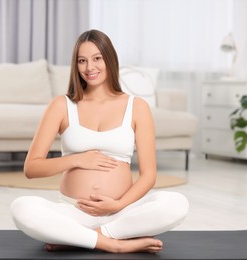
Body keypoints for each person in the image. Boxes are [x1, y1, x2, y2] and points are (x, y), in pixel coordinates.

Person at [10, 29, 189, 254]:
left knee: (176, 203)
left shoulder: (137, 107)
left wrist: (118, 205)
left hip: (121, 213)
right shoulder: (61, 105)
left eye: (97, 58)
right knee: (22, 208)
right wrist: (77, 160)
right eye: (82, 61)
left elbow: (148, 175)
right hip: (72, 212)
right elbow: (31, 168)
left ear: (110, 59)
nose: (89, 68)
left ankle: (84, 237)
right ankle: (114, 244)